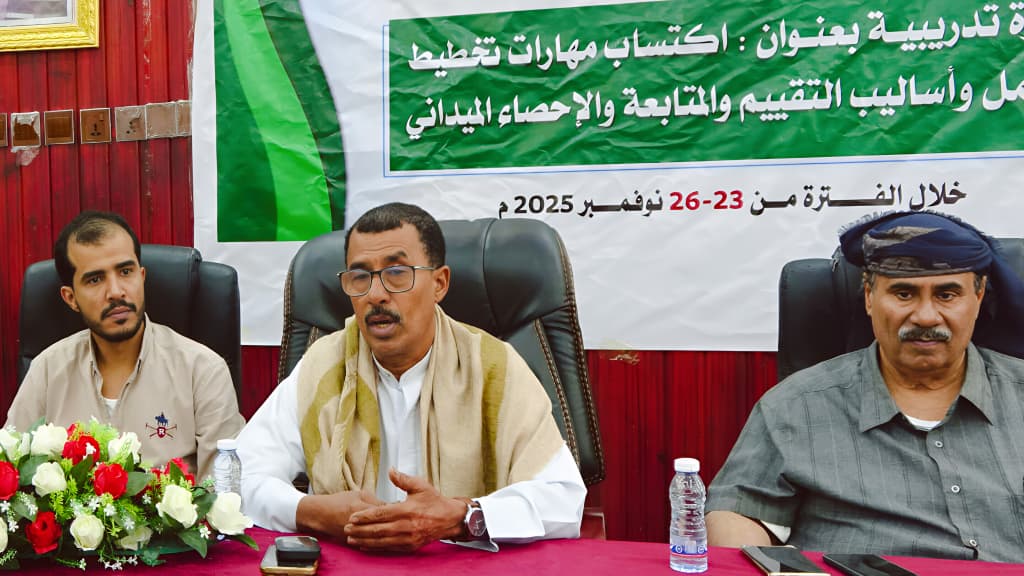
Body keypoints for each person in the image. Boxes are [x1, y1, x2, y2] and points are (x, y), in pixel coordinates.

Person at [237, 202, 585, 553]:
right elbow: (236, 478)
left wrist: (461, 518)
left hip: (460, 565)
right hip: (350, 563)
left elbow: (562, 498)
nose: (375, 294)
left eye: (397, 272)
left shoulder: (494, 368)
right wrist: (310, 512)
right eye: (360, 276)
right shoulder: (324, 365)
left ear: (439, 283)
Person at [706, 210, 1024, 562]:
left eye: (947, 295)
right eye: (904, 294)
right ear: (870, 296)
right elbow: (737, 515)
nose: (925, 316)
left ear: (978, 298)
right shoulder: (796, 406)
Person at [6, 211, 245, 481]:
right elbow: (10, 470)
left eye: (125, 272)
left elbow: (225, 491)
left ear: (142, 276)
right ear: (71, 298)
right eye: (95, 279)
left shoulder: (203, 370)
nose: (116, 292)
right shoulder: (48, 370)